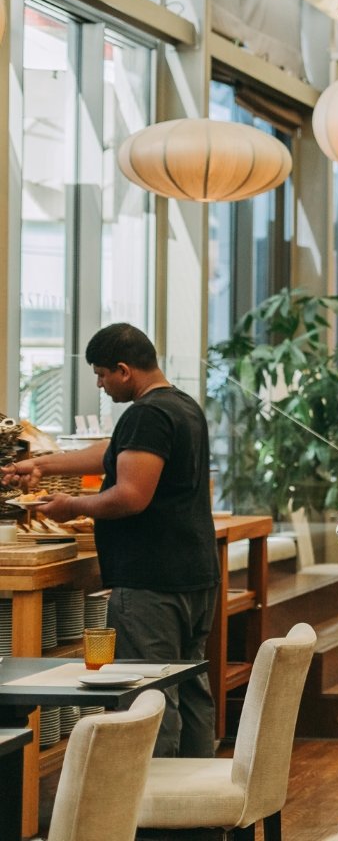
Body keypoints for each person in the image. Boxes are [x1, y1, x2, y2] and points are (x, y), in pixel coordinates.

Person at [2, 323, 217, 757]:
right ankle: (198, 792)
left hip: (151, 581)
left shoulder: (146, 414)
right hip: (193, 574)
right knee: (190, 689)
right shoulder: (181, 406)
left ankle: (153, 798)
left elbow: (131, 496)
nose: (100, 385)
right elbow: (112, 453)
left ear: (124, 370)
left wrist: (71, 506)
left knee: (151, 699)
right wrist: (41, 465)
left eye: (101, 375)